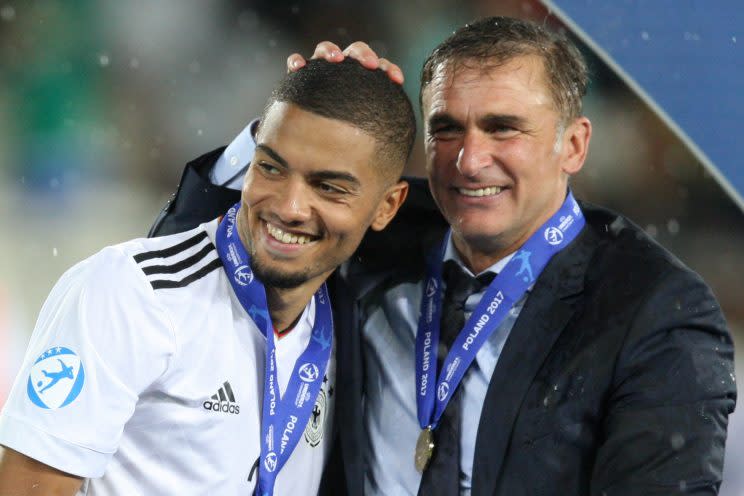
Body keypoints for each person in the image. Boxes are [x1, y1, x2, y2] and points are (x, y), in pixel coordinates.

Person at [141, 16, 737, 495]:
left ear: (573, 144)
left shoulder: (656, 312)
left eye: (504, 128)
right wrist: (286, 130)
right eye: (447, 128)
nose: (468, 160)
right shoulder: (370, 234)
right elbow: (179, 278)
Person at [0, 59, 415, 495]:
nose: (289, 207)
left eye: (328, 187)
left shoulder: (349, 326)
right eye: (271, 168)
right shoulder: (130, 293)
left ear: (388, 206)